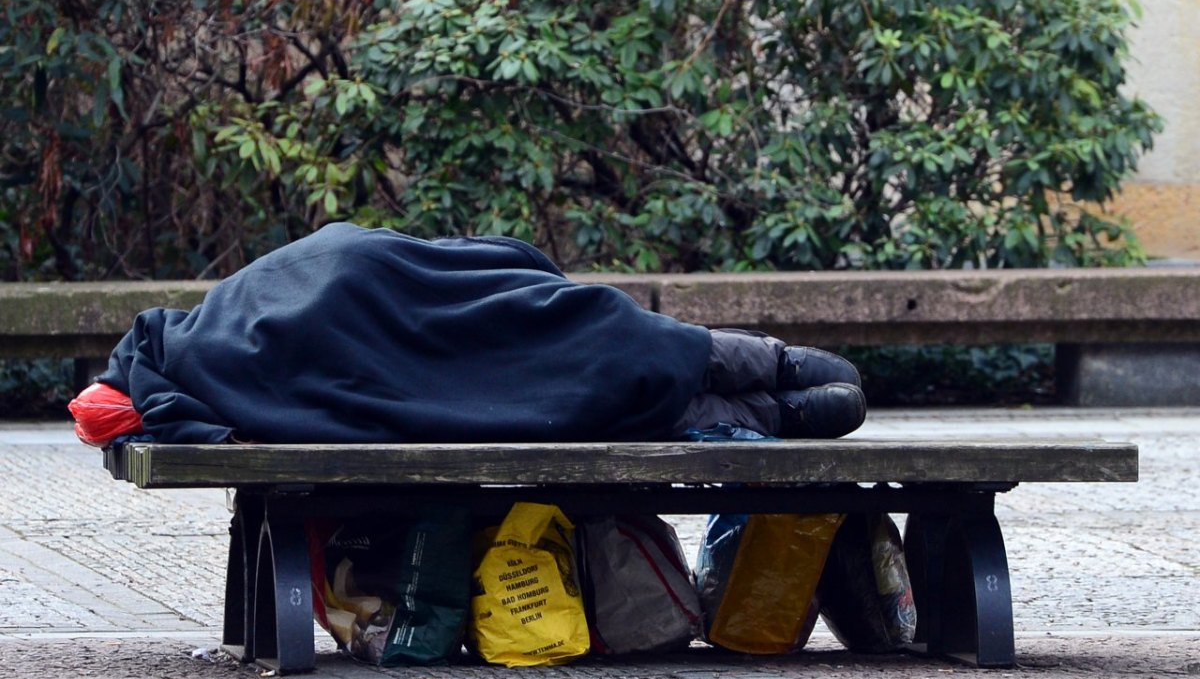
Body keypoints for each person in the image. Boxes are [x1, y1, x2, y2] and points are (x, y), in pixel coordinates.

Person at [88, 223, 864, 446]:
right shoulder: (224, 317)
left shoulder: (218, 373)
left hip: (413, 306)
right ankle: (776, 381)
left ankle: (773, 401)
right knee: (590, 330)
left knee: (575, 370)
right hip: (416, 300)